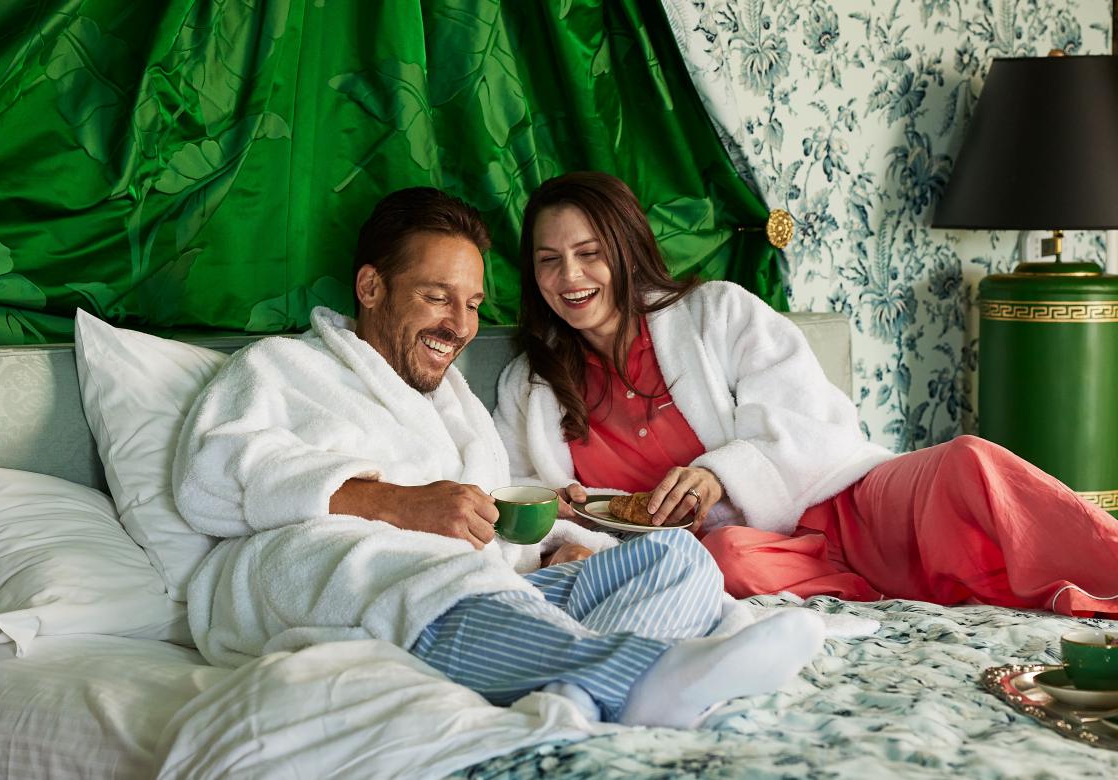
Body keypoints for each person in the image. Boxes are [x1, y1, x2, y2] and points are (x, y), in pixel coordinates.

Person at [173, 186, 825, 728]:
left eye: (474, 304)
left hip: (479, 592)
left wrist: (548, 545)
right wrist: (396, 505)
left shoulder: (451, 402)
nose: (459, 325)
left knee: (675, 558)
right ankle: (633, 676)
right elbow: (205, 476)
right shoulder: (281, 369)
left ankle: (579, 691)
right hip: (349, 581)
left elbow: (479, 510)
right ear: (370, 287)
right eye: (437, 296)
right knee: (383, 563)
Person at [493, 172, 1118, 620]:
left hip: (845, 502)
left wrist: (722, 472)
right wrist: (573, 529)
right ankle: (876, 591)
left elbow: (812, 418)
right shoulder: (530, 389)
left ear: (624, 250)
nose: (570, 276)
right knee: (730, 560)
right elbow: (525, 501)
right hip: (730, 554)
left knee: (969, 462)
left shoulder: (717, 313)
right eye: (549, 260)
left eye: (588, 253)